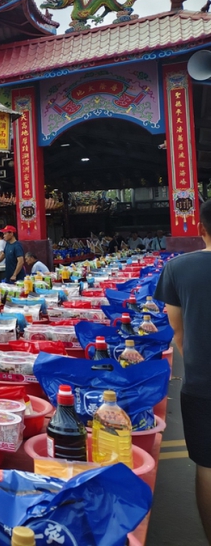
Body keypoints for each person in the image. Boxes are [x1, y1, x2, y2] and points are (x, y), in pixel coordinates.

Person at [155, 198, 211, 542]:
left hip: (203, 384)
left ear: (201, 228)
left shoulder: (178, 268)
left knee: (208, 468)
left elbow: (178, 332)